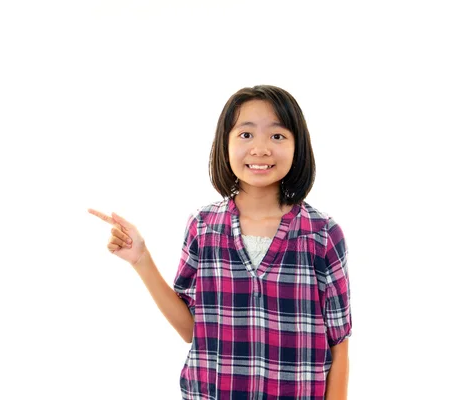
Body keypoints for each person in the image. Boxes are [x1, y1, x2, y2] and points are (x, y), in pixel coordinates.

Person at [88, 85, 352, 400]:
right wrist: (141, 260)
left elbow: (340, 345)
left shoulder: (322, 234)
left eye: (277, 136)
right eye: (246, 134)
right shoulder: (203, 226)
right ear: (224, 144)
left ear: (299, 147)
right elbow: (190, 330)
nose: (261, 149)